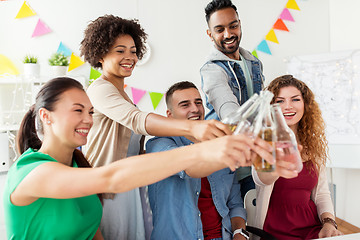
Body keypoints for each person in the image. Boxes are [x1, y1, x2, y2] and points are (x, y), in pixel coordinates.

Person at [3, 77, 264, 240]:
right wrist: (207, 149)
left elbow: (91, 232)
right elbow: (113, 177)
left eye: (91, 112)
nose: (88, 120)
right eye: (78, 110)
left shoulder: (78, 168)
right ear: (46, 116)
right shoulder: (30, 173)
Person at [79, 15, 234, 240]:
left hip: (130, 188)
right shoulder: (99, 89)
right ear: (101, 53)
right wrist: (192, 129)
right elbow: (138, 120)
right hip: (107, 191)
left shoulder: (123, 93)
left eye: (133, 51)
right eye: (120, 51)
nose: (129, 57)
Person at [146, 81, 275, 240]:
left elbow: (234, 205)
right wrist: (234, 153)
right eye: (185, 105)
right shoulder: (158, 145)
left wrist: (239, 233)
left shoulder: (221, 143)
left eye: (198, 102)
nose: (195, 109)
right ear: (169, 115)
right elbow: (188, 167)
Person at [252, 75, 343, 240]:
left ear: (305, 104)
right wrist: (279, 164)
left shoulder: (313, 144)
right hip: (273, 232)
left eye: (295, 99)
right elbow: (261, 180)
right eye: (280, 101)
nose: (288, 106)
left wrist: (329, 222)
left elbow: (322, 194)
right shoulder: (264, 139)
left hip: (311, 229)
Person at [201, 0, 265, 199]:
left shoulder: (254, 62)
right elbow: (227, 106)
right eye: (219, 29)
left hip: (258, 161)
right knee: (238, 224)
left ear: (240, 24)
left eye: (233, 26)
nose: (228, 34)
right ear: (210, 34)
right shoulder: (212, 69)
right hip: (228, 169)